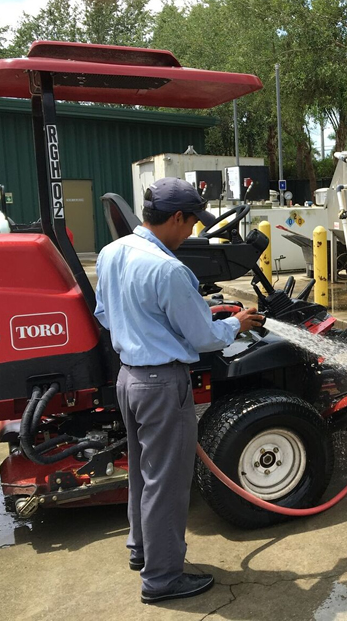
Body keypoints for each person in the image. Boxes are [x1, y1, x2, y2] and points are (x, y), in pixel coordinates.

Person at [94, 177, 264, 604]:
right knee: (167, 484)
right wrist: (235, 323)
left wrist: (149, 328)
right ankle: (162, 580)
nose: (192, 232)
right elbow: (206, 338)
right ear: (175, 217)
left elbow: (105, 313)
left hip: (129, 379)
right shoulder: (169, 269)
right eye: (191, 224)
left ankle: (142, 551)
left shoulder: (112, 252)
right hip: (162, 384)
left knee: (142, 471)